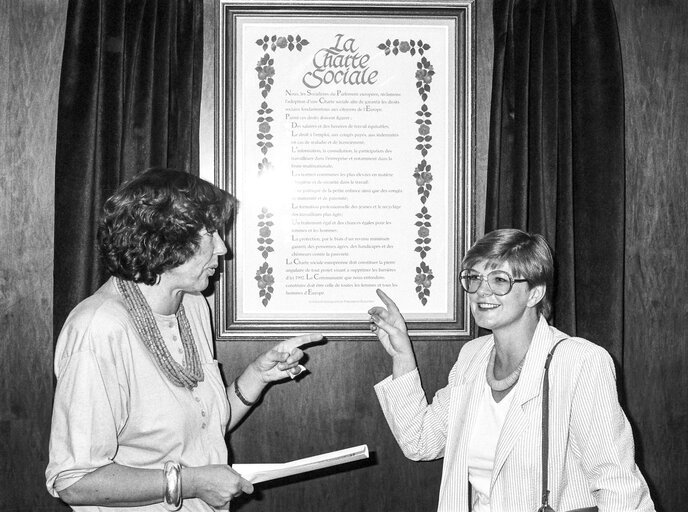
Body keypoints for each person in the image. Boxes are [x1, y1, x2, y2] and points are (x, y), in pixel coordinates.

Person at [46, 168, 323, 511]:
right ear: (164, 239)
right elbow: (75, 481)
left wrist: (257, 376)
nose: (223, 248)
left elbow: (201, 432)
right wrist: (192, 483)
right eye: (210, 233)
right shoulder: (98, 329)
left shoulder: (192, 305)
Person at [369, 228, 654, 511]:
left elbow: (618, 486)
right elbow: (420, 441)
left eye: (499, 280)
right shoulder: (472, 357)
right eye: (474, 278)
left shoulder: (579, 362)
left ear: (535, 293)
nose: (482, 290)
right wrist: (402, 353)